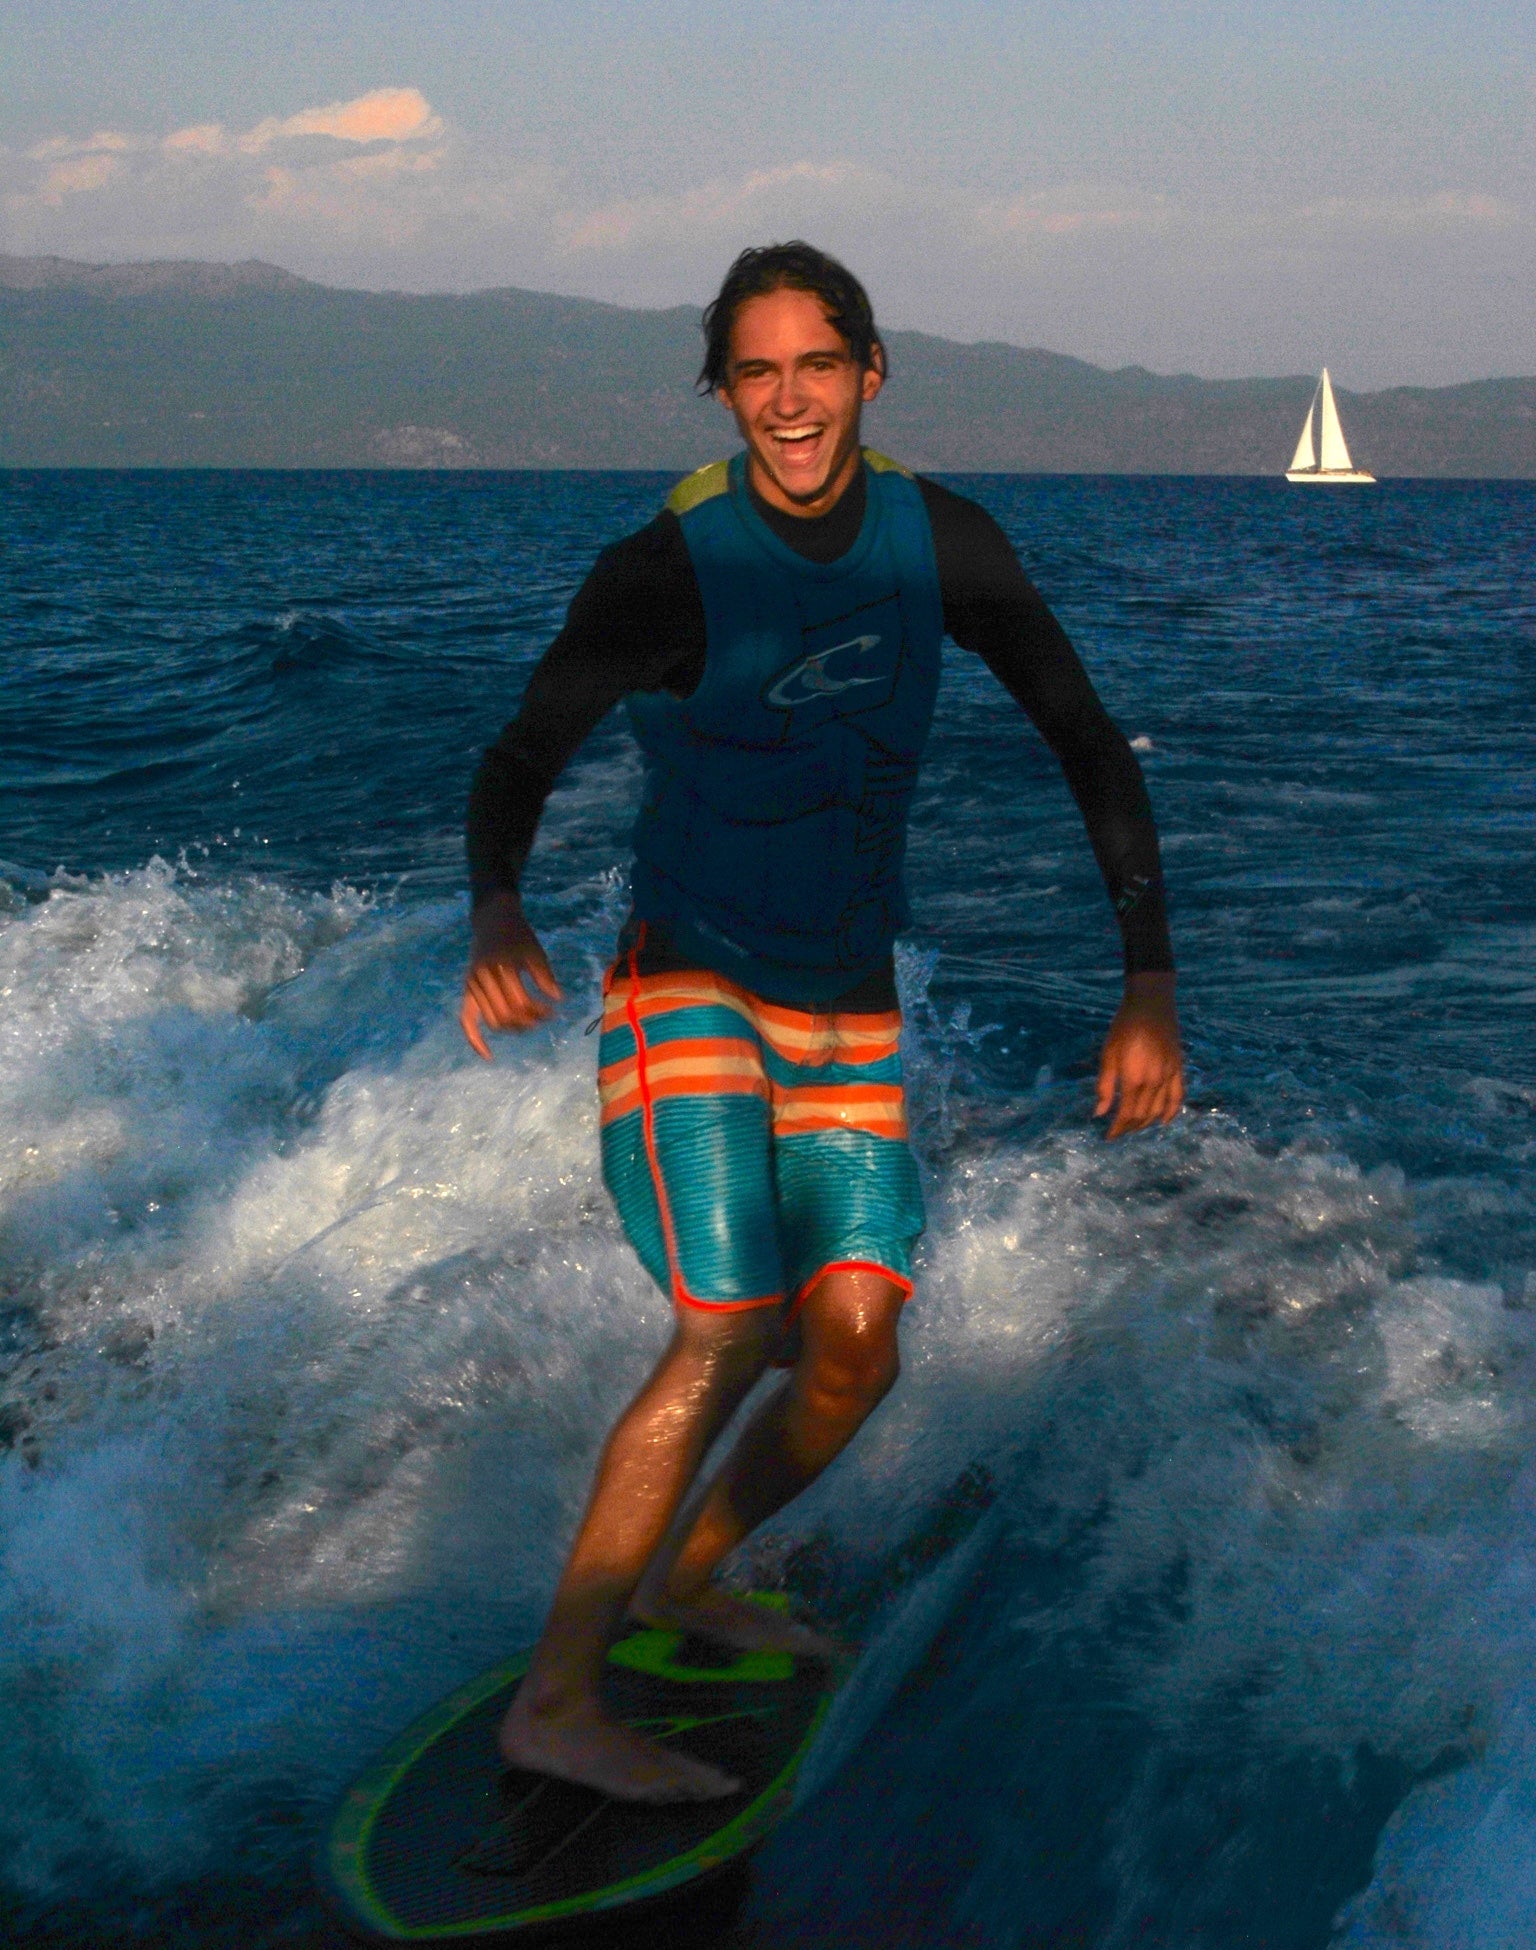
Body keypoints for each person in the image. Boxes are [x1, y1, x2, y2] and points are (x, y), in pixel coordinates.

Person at [460, 242, 1184, 1803]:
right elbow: (522, 750)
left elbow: (1083, 737)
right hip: (691, 977)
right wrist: (498, 911)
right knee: (730, 1327)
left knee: (856, 1350)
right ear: (723, 391)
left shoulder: (945, 545)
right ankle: (556, 1699)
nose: (790, 399)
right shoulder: (669, 567)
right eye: (756, 371)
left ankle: (685, 1575)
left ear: (871, 372)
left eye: (818, 364)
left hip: (847, 1001)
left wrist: (1147, 984)